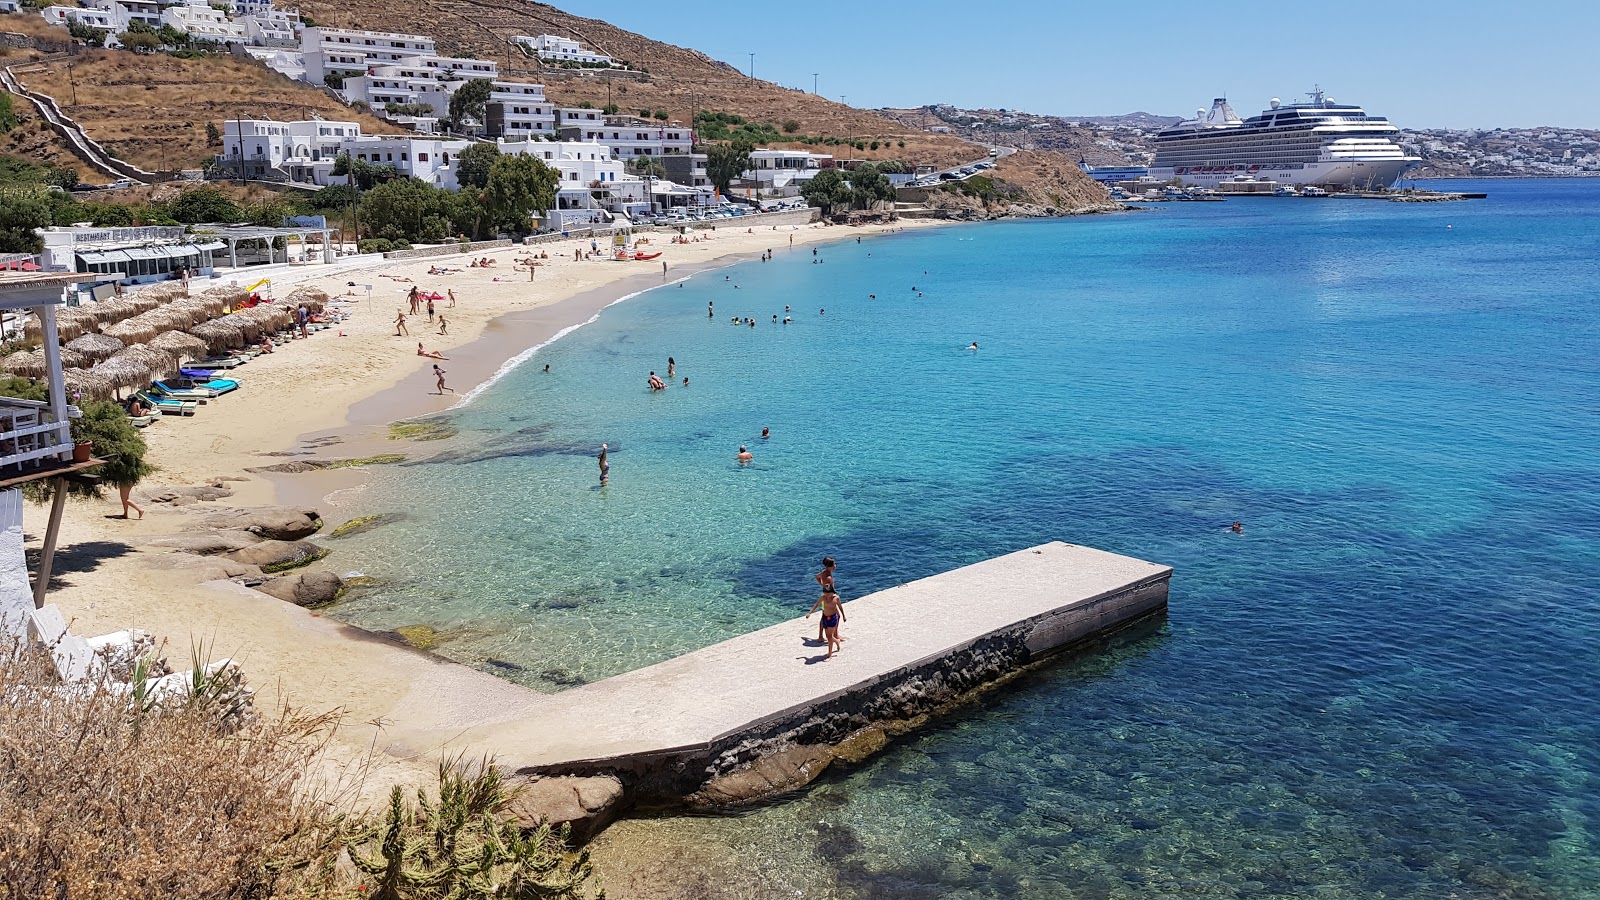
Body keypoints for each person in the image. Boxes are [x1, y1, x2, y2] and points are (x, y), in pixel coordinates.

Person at [806, 589, 845, 659]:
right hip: (825, 617)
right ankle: (837, 641)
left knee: (829, 637)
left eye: (828, 594)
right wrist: (809, 613)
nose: (826, 595)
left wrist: (843, 616)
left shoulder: (836, 598)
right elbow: (817, 604)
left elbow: (840, 607)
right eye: (825, 593)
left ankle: (829, 654)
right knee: (828, 636)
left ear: (832, 592)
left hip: (833, 618)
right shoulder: (823, 598)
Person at [813, 557, 838, 643]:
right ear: (830, 566)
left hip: (824, 597)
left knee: (824, 616)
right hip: (829, 599)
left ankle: (820, 636)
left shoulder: (824, 572)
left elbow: (817, 577)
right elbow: (829, 589)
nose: (835, 565)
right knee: (837, 615)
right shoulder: (829, 578)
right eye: (834, 564)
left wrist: (822, 585)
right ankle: (835, 635)